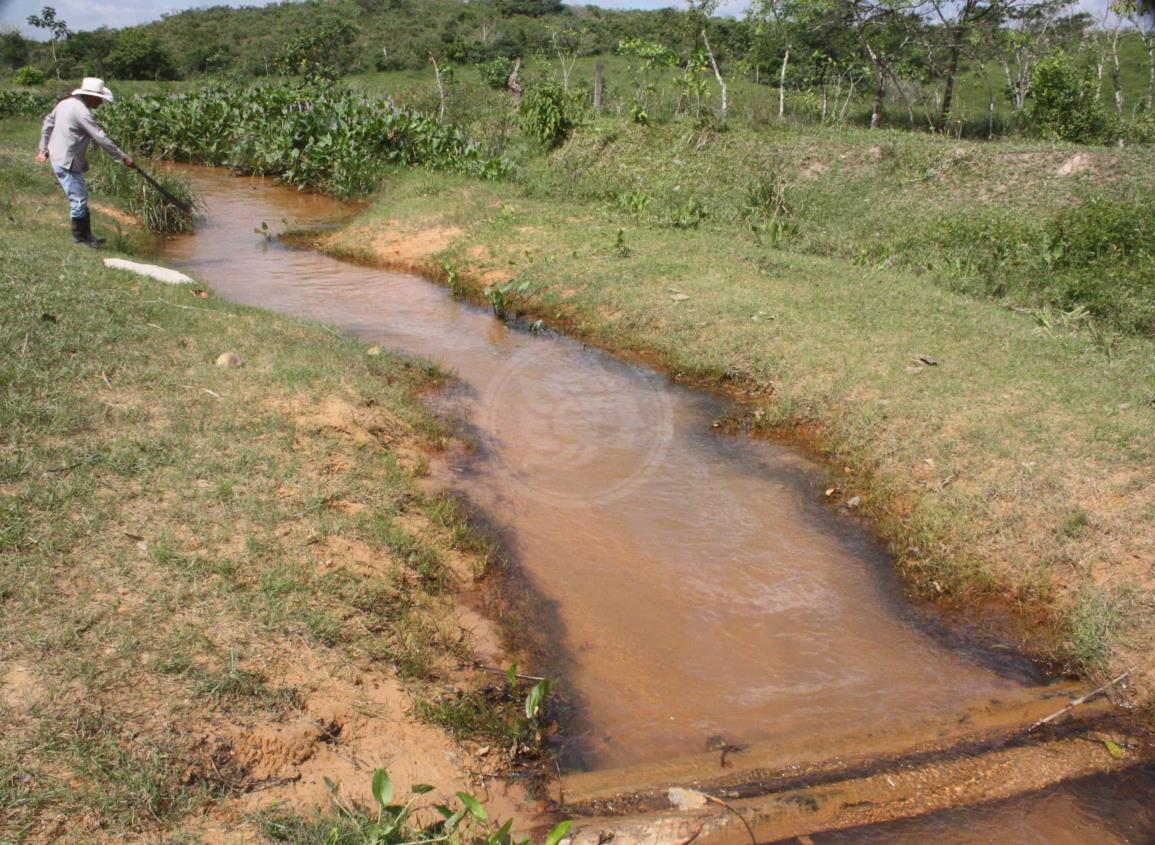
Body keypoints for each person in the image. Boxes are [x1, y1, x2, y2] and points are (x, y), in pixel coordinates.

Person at [36, 77, 135, 248]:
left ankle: (87, 236)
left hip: (60, 156)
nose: (100, 103)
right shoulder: (82, 112)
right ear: (90, 96)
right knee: (79, 200)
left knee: (80, 197)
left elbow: (47, 123)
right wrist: (123, 157)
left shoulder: (65, 103)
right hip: (67, 160)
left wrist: (43, 148)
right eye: (99, 99)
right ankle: (80, 239)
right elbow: (100, 137)